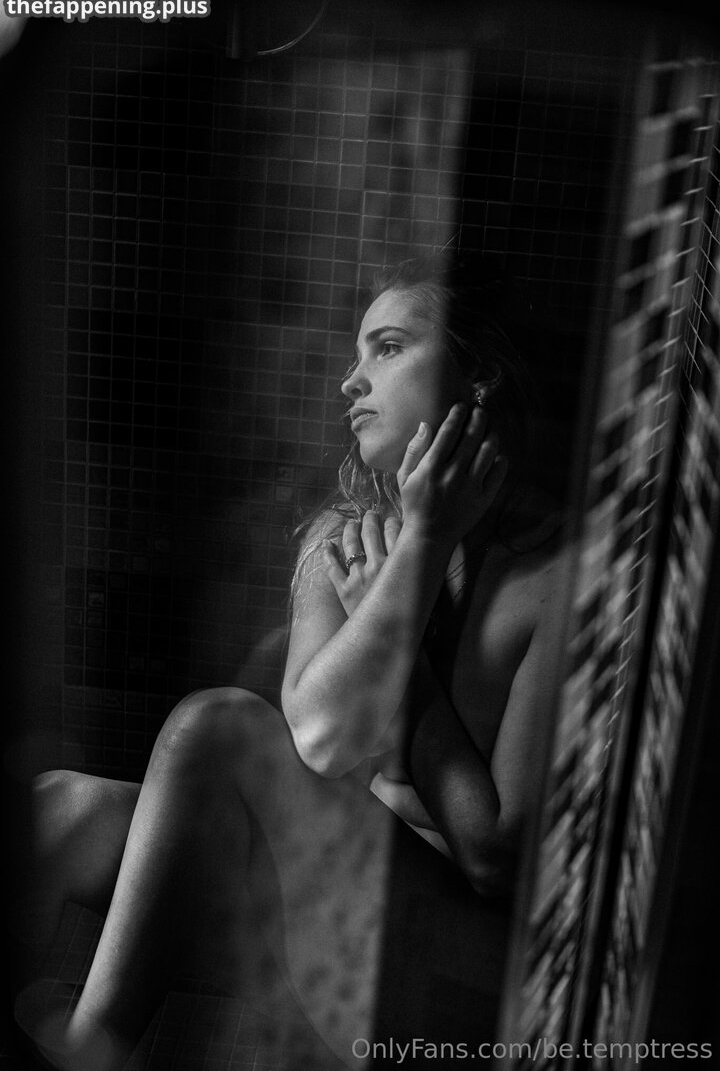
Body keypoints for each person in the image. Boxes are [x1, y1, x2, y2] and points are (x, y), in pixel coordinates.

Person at [13, 254, 566, 1070]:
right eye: (355, 352)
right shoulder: (343, 538)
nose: (351, 380)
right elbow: (324, 733)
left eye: (387, 348)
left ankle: (89, 1055)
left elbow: (494, 862)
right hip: (325, 931)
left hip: (455, 978)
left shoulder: (560, 579)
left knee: (218, 726)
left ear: (478, 376)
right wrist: (419, 553)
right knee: (61, 808)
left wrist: (420, 560)